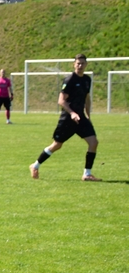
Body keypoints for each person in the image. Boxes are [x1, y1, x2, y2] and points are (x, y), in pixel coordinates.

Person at [30, 54, 101, 182]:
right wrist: (72, 113)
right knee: (57, 145)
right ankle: (35, 165)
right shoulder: (70, 80)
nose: (80, 65)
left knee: (93, 142)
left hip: (81, 118)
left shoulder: (87, 80)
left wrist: (88, 116)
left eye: (82, 63)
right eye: (78, 63)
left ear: (86, 65)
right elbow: (61, 101)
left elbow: (87, 98)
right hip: (68, 119)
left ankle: (87, 174)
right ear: (74, 64)